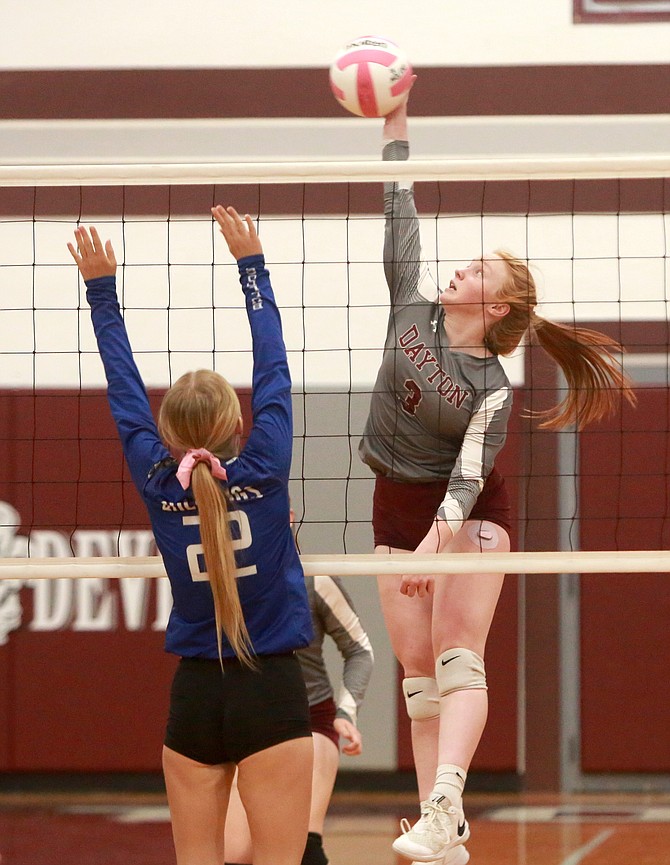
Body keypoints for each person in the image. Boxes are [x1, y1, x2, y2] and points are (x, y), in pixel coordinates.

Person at [358, 90, 637, 865]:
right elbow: (397, 207)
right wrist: (395, 126)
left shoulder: (493, 386)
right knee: (416, 675)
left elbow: (470, 476)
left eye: (477, 266)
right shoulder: (407, 310)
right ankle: (434, 829)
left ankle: (449, 802)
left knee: (455, 654)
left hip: (470, 513)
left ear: (499, 301)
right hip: (393, 502)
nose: (459, 265)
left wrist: (432, 550)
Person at [67, 207, 315, 865]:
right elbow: (275, 367)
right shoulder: (262, 465)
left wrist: (100, 288)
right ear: (239, 424)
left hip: (197, 694)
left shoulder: (159, 480)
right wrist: (251, 268)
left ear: (169, 437)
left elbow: (124, 392)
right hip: (272, 687)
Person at [223, 545, 374, 865]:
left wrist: (346, 711)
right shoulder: (224, 577)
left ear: (287, 515)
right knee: (236, 854)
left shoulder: (315, 579)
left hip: (310, 720)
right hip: (250, 724)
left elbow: (359, 650)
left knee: (300, 843)